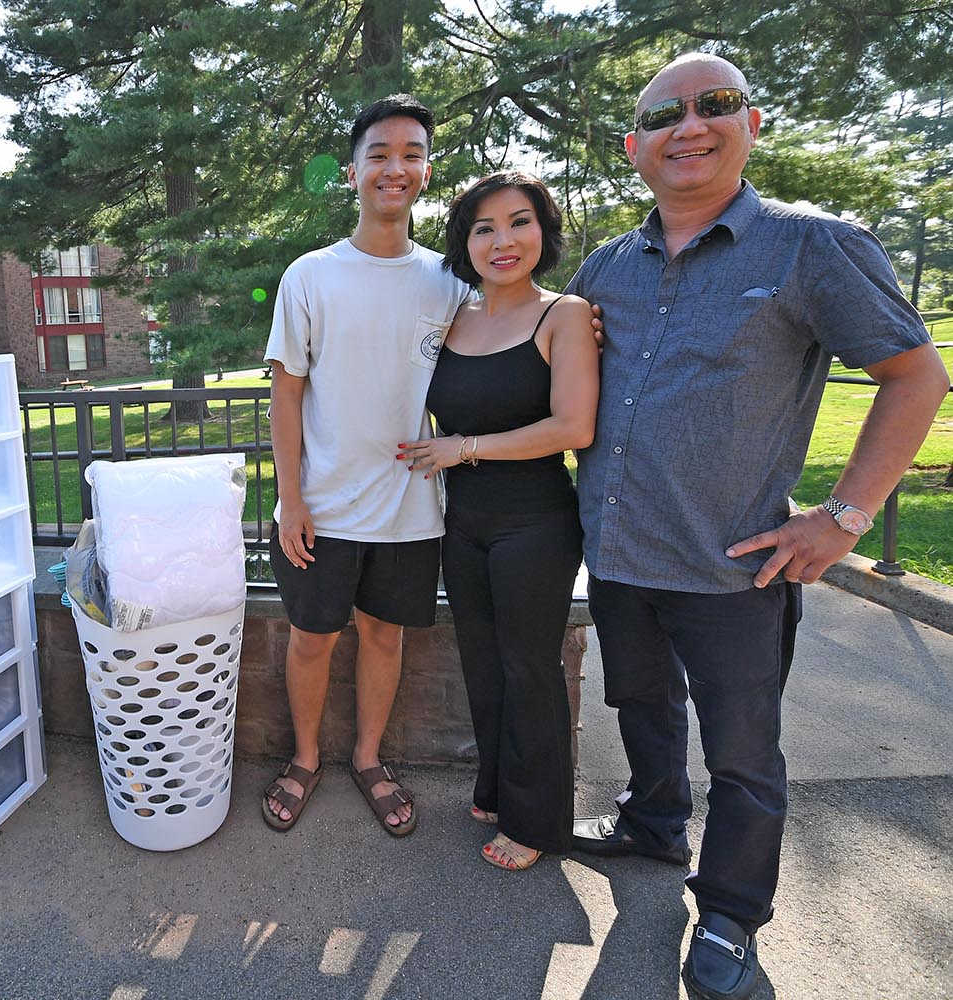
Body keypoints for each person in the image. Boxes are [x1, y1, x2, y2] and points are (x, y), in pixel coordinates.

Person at [566, 53, 949, 1000]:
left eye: (716, 106)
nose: (689, 126)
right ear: (634, 148)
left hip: (736, 567)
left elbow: (916, 376)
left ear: (753, 125)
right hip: (618, 556)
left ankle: (732, 914)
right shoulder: (607, 264)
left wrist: (845, 517)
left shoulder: (812, 246)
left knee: (743, 753)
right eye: (665, 116)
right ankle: (653, 823)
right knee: (641, 706)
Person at [262, 94, 470, 836]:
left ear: (427, 170)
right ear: (352, 173)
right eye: (380, 153)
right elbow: (286, 396)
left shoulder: (453, 282)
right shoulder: (311, 275)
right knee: (312, 638)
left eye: (411, 153)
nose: (396, 167)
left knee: (386, 636)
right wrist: (292, 498)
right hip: (321, 505)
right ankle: (307, 757)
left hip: (412, 508)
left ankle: (369, 758)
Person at [399, 171, 599, 870]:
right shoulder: (453, 318)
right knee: (481, 662)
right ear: (465, 244)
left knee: (529, 667)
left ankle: (537, 820)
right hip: (466, 519)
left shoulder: (564, 314)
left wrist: (465, 448)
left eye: (519, 222)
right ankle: (495, 785)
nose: (502, 240)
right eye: (483, 228)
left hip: (535, 522)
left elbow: (573, 426)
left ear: (542, 232)